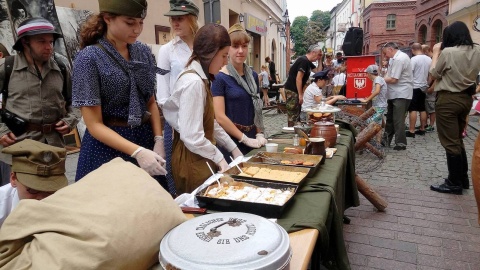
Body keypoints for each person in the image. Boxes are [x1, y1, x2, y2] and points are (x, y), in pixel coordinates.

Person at [72, 0, 170, 191]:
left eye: (141, 22)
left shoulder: (142, 51)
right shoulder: (89, 58)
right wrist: (137, 152)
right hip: (107, 148)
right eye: (130, 23)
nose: (137, 29)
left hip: (144, 137)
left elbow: (150, 101)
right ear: (108, 18)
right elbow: (93, 124)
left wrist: (158, 139)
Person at [163, 23, 243, 194]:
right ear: (209, 54)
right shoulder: (194, 83)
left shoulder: (201, 78)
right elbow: (191, 136)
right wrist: (220, 157)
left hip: (200, 156)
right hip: (192, 160)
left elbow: (209, 123)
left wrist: (234, 148)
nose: (224, 63)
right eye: (223, 56)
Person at [0, 18, 80, 185]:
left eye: (51, 41)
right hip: (20, 146)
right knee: (22, 196)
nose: (49, 46)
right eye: (41, 41)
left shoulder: (61, 66)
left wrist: (70, 120)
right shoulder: (6, 67)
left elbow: (76, 100)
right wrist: (1, 130)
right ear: (25, 42)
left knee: (55, 192)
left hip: (54, 146)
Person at [429, 21, 480, 194]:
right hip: (465, 99)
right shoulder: (477, 50)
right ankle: (463, 179)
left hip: (448, 100)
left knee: (450, 142)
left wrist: (436, 53)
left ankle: (454, 182)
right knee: (457, 139)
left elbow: (434, 73)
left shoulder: (449, 52)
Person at [156, 0, 199, 196]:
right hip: (177, 123)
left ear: (192, 19)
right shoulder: (167, 50)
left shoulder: (203, 47)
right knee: (178, 173)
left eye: (180, 19)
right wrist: (180, 125)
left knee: (202, 171)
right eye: (172, 19)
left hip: (204, 120)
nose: (174, 23)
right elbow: (163, 95)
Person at [211, 23, 266, 161]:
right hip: (232, 142)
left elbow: (256, 107)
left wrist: (259, 133)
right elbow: (219, 116)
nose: (240, 51)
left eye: (244, 46)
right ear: (228, 49)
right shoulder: (219, 78)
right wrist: (244, 139)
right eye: (235, 46)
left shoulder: (253, 75)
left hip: (253, 138)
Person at [0, 139, 68, 227]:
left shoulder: (69, 202)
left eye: (50, 190)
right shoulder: (2, 203)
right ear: (13, 179)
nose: (42, 198)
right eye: (32, 190)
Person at [381, 42, 413, 151]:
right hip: (395, 93)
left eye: (385, 53)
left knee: (398, 119)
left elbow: (394, 79)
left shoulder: (399, 59)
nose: (385, 56)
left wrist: (379, 79)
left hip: (401, 93)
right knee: (390, 118)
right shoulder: (395, 58)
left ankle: (400, 143)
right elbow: (389, 75)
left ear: (390, 49)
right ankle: (386, 140)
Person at [284, 44, 323, 126]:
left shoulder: (308, 62)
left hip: (295, 90)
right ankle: (292, 132)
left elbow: (318, 72)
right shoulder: (304, 61)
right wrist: (301, 94)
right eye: (319, 55)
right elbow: (299, 78)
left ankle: (296, 131)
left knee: (296, 113)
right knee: (293, 114)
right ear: (313, 52)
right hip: (292, 90)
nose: (319, 57)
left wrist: (320, 60)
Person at [406, 43, 432, 137]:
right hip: (424, 86)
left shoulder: (413, 59)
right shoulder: (429, 59)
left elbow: (410, 74)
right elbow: (431, 75)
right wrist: (427, 84)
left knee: (412, 109)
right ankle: (422, 128)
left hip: (414, 86)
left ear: (413, 50)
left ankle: (411, 130)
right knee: (422, 108)